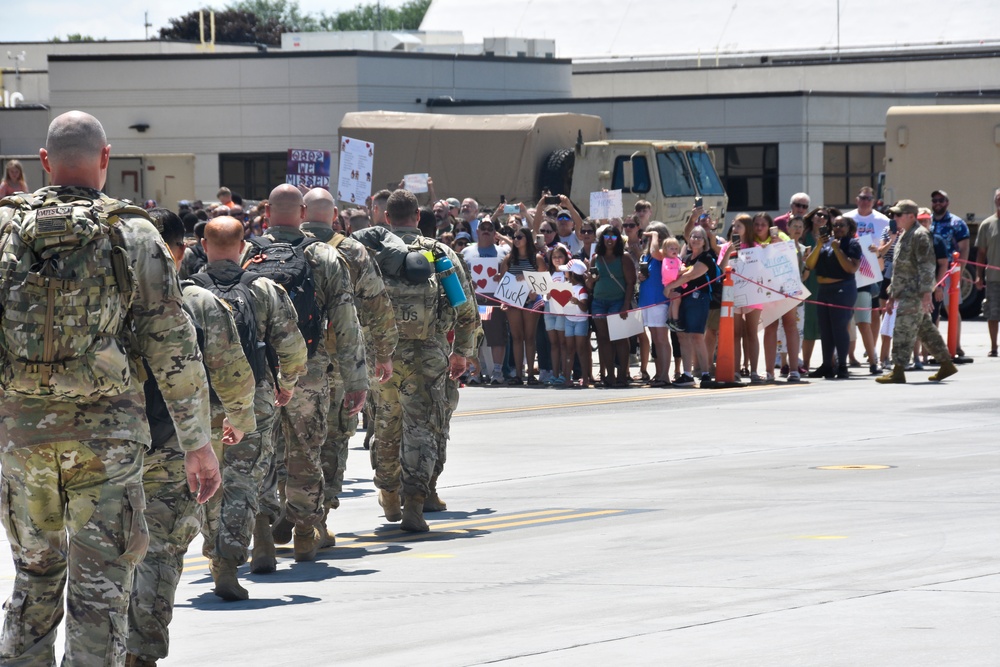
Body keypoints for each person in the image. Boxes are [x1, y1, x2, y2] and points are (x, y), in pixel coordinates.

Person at [0, 110, 219, 666]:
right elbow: (173, 345)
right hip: (109, 443)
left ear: (43, 163)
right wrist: (197, 443)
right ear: (106, 158)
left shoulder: (3, 229)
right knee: (101, 586)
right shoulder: (135, 233)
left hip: (21, 437)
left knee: (34, 575)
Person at [126, 210, 257, 665]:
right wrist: (238, 421)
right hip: (171, 449)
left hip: (105, 448)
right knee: (160, 552)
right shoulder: (198, 302)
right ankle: (140, 652)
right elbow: (233, 372)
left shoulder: (102, 297)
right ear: (182, 250)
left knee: (101, 553)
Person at [243, 184, 367, 562]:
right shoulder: (324, 256)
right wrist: (356, 378)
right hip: (309, 371)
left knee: (258, 451)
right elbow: (346, 321)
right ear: (301, 213)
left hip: (257, 370)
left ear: (267, 213)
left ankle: (262, 532)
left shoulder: (248, 253)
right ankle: (302, 531)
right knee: (305, 450)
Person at [191, 216, 308, 597]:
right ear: (244, 248)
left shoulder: (187, 292)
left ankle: (215, 552)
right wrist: (286, 386)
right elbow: (292, 347)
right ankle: (234, 555)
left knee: (207, 482)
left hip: (200, 402)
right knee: (245, 480)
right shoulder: (264, 289)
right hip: (254, 399)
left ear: (205, 247)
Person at [372, 190, 478, 531]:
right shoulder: (439, 253)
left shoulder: (372, 253)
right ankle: (415, 503)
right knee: (423, 428)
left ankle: (388, 491)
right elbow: (465, 309)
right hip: (429, 353)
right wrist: (462, 352)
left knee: (387, 425)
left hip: (382, 356)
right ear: (417, 218)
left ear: (386, 218)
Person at [301, 188, 397, 545]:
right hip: (342, 361)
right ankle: (318, 518)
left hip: (294, 363)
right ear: (335, 215)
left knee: (292, 439)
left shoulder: (284, 247)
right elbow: (377, 303)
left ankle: (285, 510)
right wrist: (384, 353)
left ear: (302, 212)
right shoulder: (353, 250)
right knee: (334, 438)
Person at [877, 200, 958, 383]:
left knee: (903, 328)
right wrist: (892, 295)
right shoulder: (904, 234)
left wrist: (927, 293)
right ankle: (946, 364)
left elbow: (927, 266)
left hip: (914, 293)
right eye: (894, 215)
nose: (895, 218)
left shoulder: (920, 235)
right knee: (926, 331)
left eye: (899, 214)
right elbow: (898, 270)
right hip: (904, 291)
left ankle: (898, 370)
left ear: (911, 216)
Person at [805, 210, 860, 379]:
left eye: (841, 225)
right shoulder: (825, 243)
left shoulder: (852, 244)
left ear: (849, 228)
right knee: (825, 329)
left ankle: (842, 365)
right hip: (824, 290)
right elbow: (809, 264)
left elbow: (851, 268)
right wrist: (819, 245)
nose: (837, 228)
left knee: (839, 327)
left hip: (842, 289)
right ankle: (827, 365)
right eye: (835, 225)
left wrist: (837, 250)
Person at [663, 226, 717, 387]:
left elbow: (691, 275)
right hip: (684, 299)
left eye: (699, 237)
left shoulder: (707, 257)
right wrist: (672, 290)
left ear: (705, 241)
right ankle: (687, 374)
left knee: (696, 335)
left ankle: (705, 374)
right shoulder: (685, 258)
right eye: (693, 236)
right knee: (682, 336)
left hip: (699, 299)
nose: (695, 239)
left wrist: (669, 287)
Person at [752, 212, 802, 383]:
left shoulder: (780, 235)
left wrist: (780, 244)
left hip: (786, 285)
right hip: (766, 288)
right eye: (756, 224)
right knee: (770, 326)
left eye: (763, 224)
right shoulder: (752, 240)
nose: (759, 228)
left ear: (769, 226)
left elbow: (793, 254)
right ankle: (769, 371)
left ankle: (794, 369)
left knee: (790, 324)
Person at [845, 186, 889, 375]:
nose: (865, 201)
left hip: (872, 270)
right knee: (848, 316)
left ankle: (871, 352)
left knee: (872, 312)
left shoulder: (882, 220)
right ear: (857, 199)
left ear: (874, 201)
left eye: (869, 198)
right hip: (849, 271)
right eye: (862, 198)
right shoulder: (847, 217)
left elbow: (887, 245)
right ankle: (849, 354)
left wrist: (878, 251)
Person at [497, 227, 548, 384]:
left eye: (519, 237)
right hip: (513, 302)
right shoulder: (508, 259)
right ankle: (519, 374)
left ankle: (531, 375)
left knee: (530, 337)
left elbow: (544, 282)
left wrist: (527, 280)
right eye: (514, 237)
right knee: (517, 337)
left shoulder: (536, 258)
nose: (516, 240)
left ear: (527, 239)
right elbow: (503, 281)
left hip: (531, 301)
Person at [587, 224, 636, 387]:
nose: (609, 239)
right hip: (599, 302)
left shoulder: (624, 257)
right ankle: (609, 375)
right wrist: (591, 280)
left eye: (613, 237)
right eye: (606, 236)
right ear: (602, 239)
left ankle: (622, 374)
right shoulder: (596, 258)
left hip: (618, 301)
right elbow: (589, 285)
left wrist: (625, 305)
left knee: (620, 337)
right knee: (603, 338)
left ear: (618, 239)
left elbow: (631, 283)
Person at [462, 217, 510, 384]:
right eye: (483, 227)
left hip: (494, 303)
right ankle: (475, 371)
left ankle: (497, 372)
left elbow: (509, 276)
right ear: (477, 230)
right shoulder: (466, 252)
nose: (486, 230)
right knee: (474, 338)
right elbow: (460, 276)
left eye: (490, 228)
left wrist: (501, 276)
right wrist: (469, 283)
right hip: (474, 303)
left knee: (496, 337)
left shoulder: (503, 253)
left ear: (495, 233)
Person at [930, 189, 970, 356]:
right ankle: (933, 347)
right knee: (932, 310)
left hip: (949, 272)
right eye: (934, 200)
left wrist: (959, 273)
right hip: (930, 271)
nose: (937, 203)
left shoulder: (957, 223)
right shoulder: (928, 222)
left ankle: (956, 345)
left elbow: (964, 248)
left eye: (941, 200)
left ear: (947, 202)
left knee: (951, 308)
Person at [639, 223, 673, 387]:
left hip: (659, 301)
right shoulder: (649, 256)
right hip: (647, 301)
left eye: (653, 235)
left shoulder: (663, 253)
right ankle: (659, 373)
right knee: (655, 339)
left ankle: (665, 375)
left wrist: (654, 236)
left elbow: (655, 251)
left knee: (661, 339)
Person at [974, 187, 1000, 356]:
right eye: (998, 197)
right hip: (993, 278)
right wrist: (978, 275)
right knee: (992, 313)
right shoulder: (987, 224)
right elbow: (981, 253)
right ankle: (993, 347)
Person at [558, 259, 591, 388]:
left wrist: (578, 302)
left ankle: (585, 378)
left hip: (580, 321)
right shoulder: (565, 286)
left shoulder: (581, 290)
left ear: (572, 274)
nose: (565, 273)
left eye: (567, 271)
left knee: (581, 350)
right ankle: (567, 378)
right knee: (569, 349)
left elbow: (584, 308)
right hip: (569, 320)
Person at [543, 244, 572, 385]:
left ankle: (565, 374)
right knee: (553, 343)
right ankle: (554, 374)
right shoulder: (548, 274)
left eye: (560, 256)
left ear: (565, 257)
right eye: (554, 257)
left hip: (562, 309)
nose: (557, 259)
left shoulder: (567, 273)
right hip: (549, 308)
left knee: (563, 343)